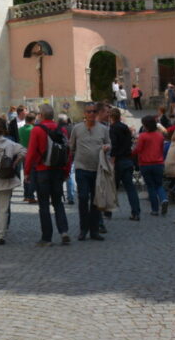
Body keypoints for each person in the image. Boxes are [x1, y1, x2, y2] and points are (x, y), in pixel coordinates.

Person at [24, 103, 72, 246]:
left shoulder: (37, 130)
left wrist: (26, 172)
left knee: (44, 205)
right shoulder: (61, 130)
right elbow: (67, 152)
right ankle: (64, 231)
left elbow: (31, 153)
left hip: (42, 170)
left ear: (41, 115)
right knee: (58, 202)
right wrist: (67, 171)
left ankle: (47, 238)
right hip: (58, 170)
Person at [69, 103, 110, 240]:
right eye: (89, 111)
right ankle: (83, 229)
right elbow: (71, 146)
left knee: (96, 200)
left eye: (93, 111)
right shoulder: (77, 128)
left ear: (96, 113)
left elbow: (109, 144)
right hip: (81, 168)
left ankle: (94, 230)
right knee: (83, 197)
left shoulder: (103, 129)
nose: (91, 114)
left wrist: (106, 147)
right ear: (84, 114)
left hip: (98, 169)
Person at [108, 108, 140, 221]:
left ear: (111, 117)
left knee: (112, 188)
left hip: (118, 161)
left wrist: (112, 158)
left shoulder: (112, 128)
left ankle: (108, 212)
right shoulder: (125, 127)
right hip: (128, 160)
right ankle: (136, 212)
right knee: (130, 188)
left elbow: (114, 145)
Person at [133, 115, 168, 216]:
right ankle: (164, 199)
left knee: (151, 187)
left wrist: (131, 153)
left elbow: (138, 149)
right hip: (158, 163)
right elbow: (161, 149)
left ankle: (155, 209)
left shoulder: (143, 136)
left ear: (145, 125)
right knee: (159, 184)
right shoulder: (160, 136)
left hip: (145, 164)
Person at [18, 112, 37, 203]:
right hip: (32, 154)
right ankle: (31, 196)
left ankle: (26, 195)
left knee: (26, 174)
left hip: (23, 153)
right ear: (33, 120)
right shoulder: (33, 129)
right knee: (32, 175)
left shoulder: (20, 129)